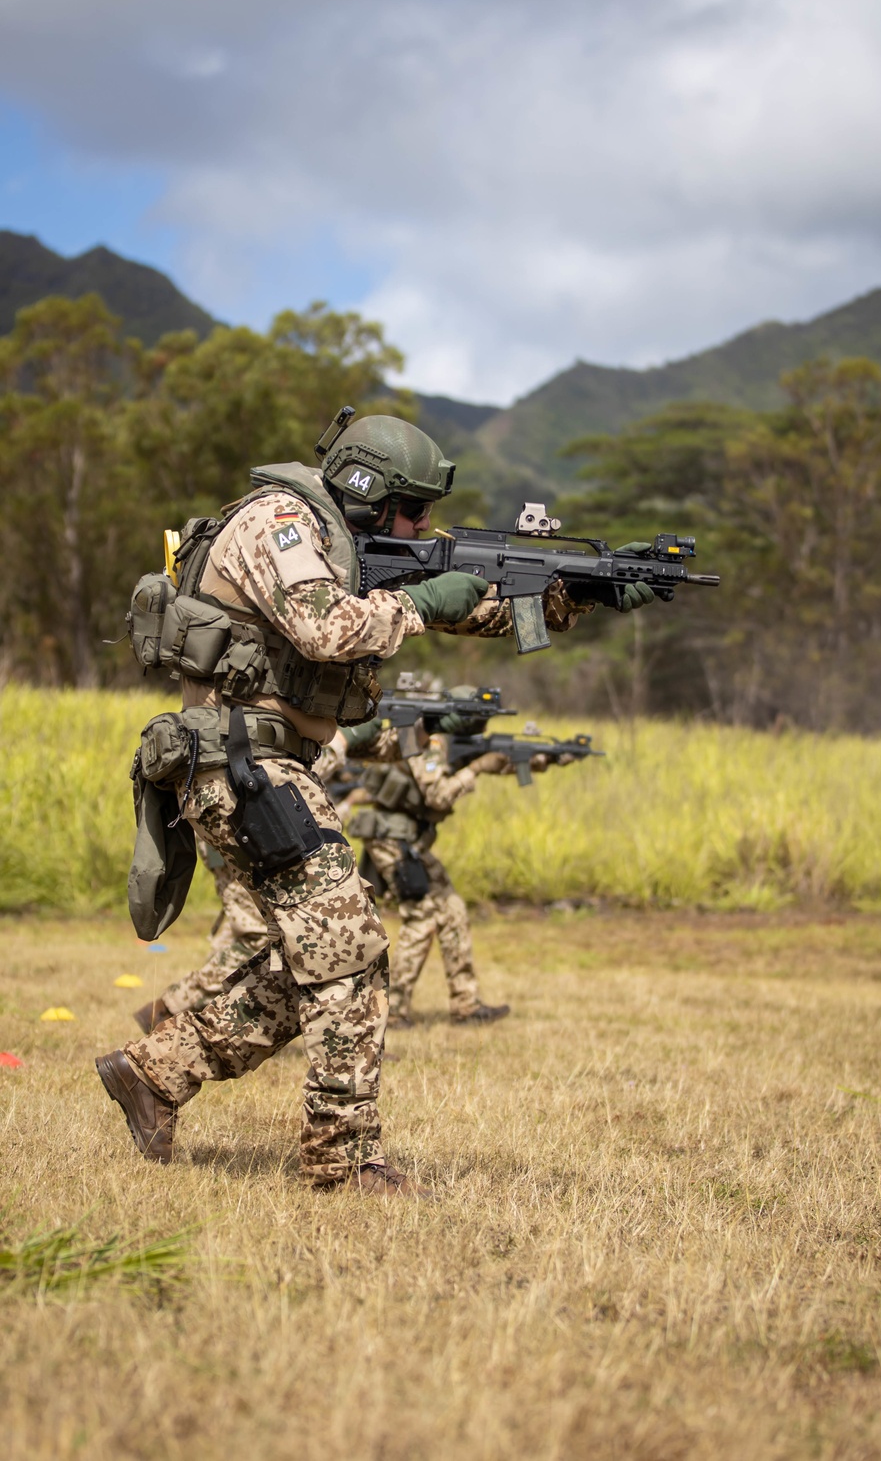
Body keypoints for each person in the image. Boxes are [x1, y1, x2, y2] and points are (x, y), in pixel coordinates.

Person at [96, 414, 625, 1196]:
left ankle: (157, 1072)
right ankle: (342, 1163)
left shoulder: (342, 546)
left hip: (270, 767)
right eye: (413, 510)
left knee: (327, 955)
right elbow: (324, 629)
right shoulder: (278, 524)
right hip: (241, 766)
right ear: (369, 494)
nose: (424, 526)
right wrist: (424, 604)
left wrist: (577, 594)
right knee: (350, 954)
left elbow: (470, 604)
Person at [316, 703, 549, 1028]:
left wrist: (539, 760)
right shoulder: (421, 744)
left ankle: (465, 1004)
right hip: (392, 839)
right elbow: (438, 795)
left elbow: (491, 761)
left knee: (452, 908)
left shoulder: (441, 745)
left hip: (410, 842)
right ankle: (393, 1009)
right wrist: (478, 768)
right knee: (422, 915)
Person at [132, 837, 268, 1033]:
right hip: (240, 831)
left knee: (242, 929)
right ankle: (173, 1008)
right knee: (256, 936)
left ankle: (211, 1014)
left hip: (246, 833)